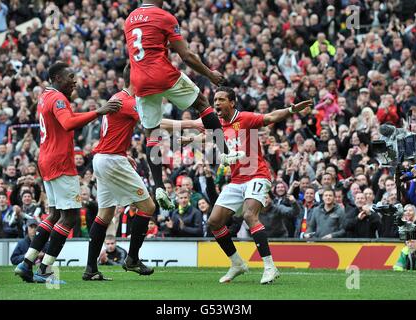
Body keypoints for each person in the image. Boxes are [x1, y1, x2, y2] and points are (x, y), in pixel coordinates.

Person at [83, 63, 203, 280]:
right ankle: (132, 259)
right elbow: (155, 122)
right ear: (135, 78)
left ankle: (91, 269)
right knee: (148, 206)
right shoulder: (128, 101)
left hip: (103, 158)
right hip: (111, 160)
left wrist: (121, 152)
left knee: (105, 214)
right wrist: (192, 122)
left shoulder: (117, 97)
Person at [182, 86, 312, 284]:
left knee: (250, 215)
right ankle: (237, 263)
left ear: (232, 102)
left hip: (257, 175)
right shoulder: (218, 125)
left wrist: (292, 110)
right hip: (236, 180)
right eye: (215, 100)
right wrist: (190, 139)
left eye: (221, 99)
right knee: (214, 221)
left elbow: (269, 117)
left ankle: (270, 267)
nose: (216, 103)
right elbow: (208, 136)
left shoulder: (245, 118)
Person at [124, 0, 244, 211]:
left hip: (139, 79)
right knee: (202, 103)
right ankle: (225, 152)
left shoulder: (130, 19)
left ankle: (159, 187)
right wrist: (209, 74)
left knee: (151, 132)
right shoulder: (165, 17)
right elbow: (187, 55)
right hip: (162, 74)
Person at [14, 61, 122, 284]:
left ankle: (26, 263)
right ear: (57, 78)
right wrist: (98, 111)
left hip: (46, 159)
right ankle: (43, 269)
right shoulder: (58, 98)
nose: (75, 81)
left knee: (53, 214)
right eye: (70, 77)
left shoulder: (45, 95)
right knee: (70, 216)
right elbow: (68, 123)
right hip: (60, 161)